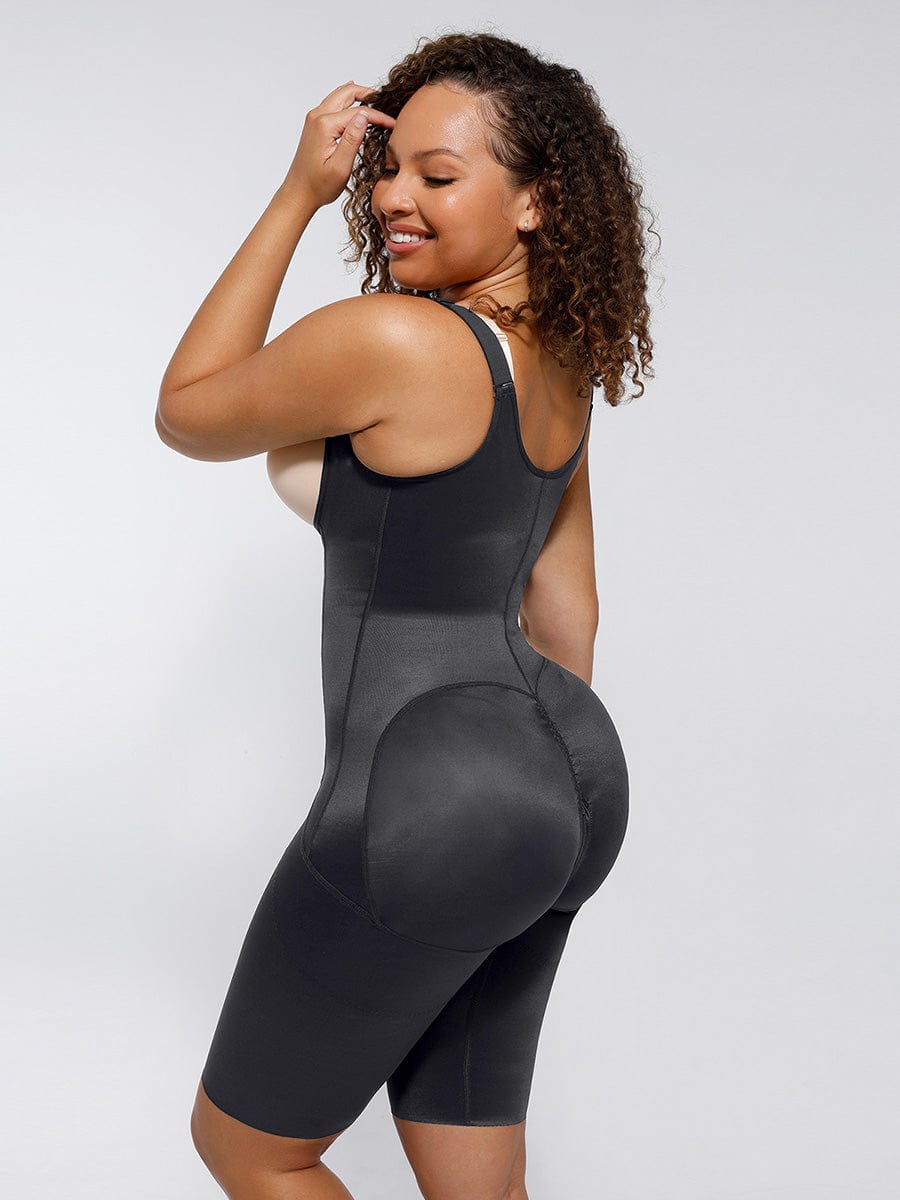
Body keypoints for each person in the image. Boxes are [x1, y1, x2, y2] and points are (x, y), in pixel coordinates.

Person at [156, 30, 656, 1200]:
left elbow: (187, 409)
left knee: (252, 1149)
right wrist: (522, 797)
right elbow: (568, 614)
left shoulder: (394, 338)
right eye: (387, 171)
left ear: (534, 200)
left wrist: (299, 192)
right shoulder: (560, 364)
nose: (391, 199)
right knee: (479, 1184)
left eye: (438, 175)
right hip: (570, 777)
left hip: (432, 785)